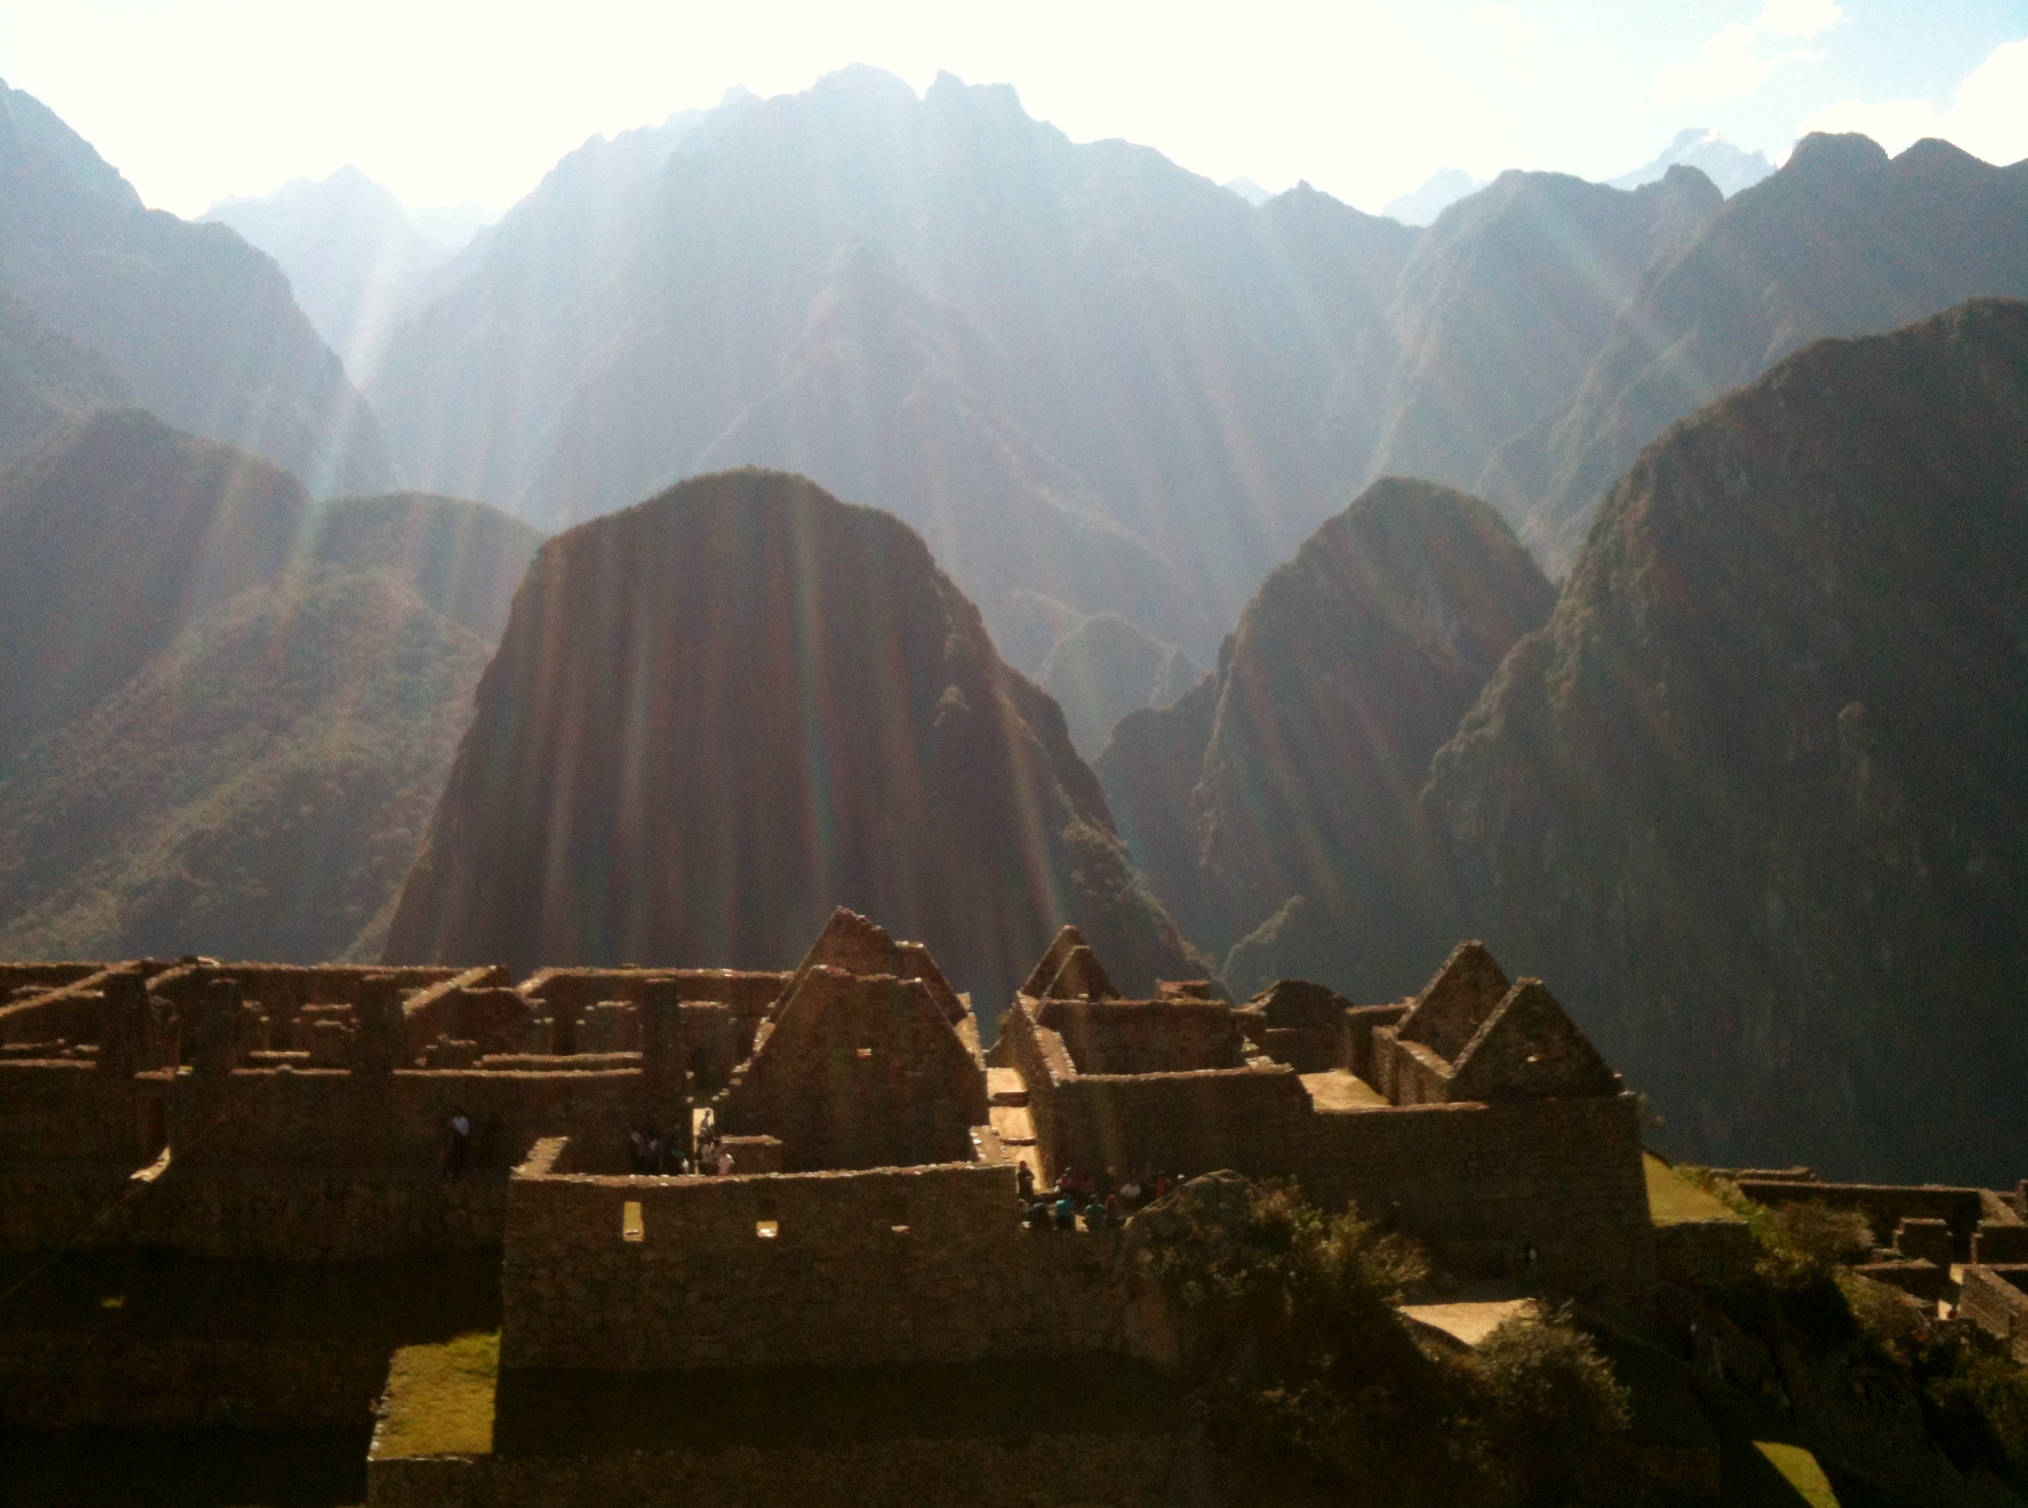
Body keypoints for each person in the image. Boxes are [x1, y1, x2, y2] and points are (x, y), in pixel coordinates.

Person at [443, 1109, 471, 1180]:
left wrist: (461, 1134)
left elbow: (466, 1130)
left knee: (462, 1152)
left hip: (462, 1137)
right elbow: (450, 1127)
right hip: (455, 1136)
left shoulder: (464, 1120)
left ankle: (460, 1170)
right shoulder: (453, 1120)